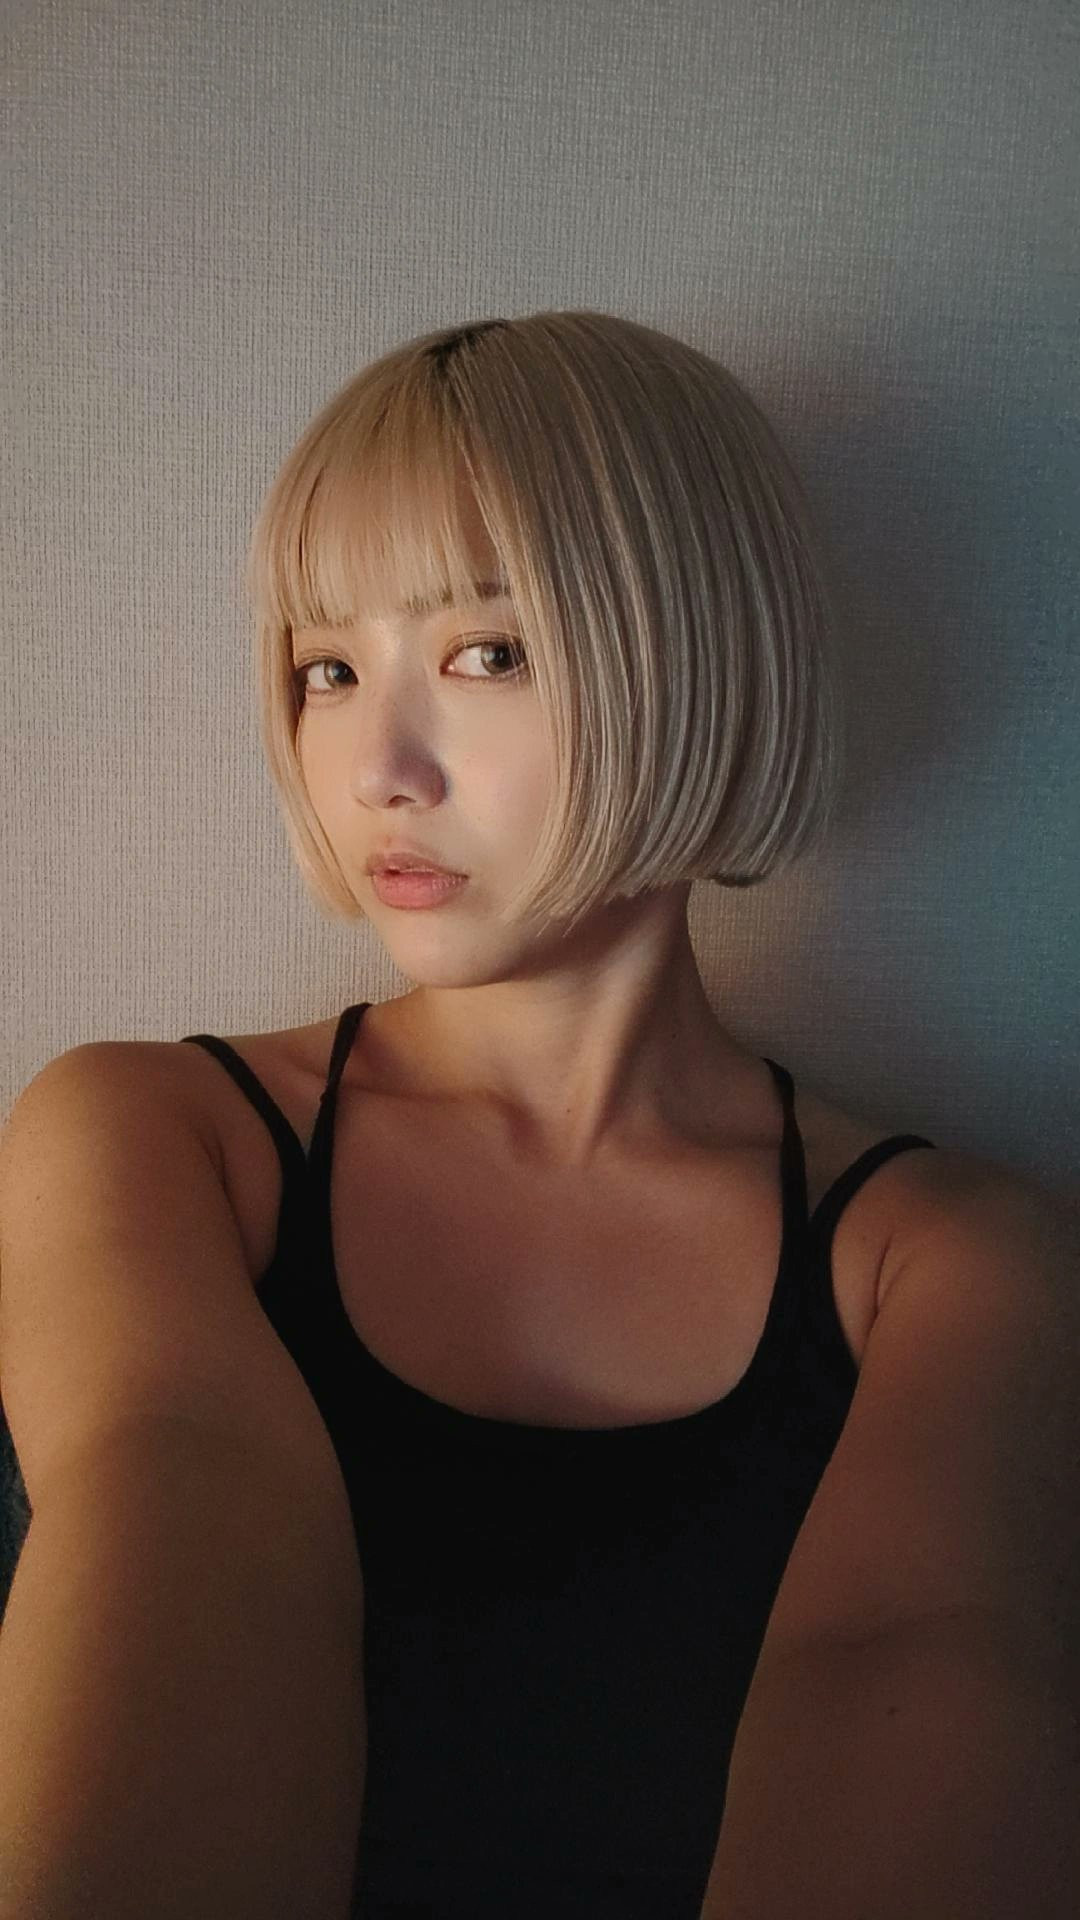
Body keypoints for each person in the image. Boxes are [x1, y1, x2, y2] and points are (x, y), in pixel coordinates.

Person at [1, 310, 1076, 1918]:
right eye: (327, 669)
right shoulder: (155, 1139)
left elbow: (917, 1693)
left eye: (484, 653)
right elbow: (185, 1525)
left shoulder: (954, 1265)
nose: (376, 767)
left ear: (695, 656)